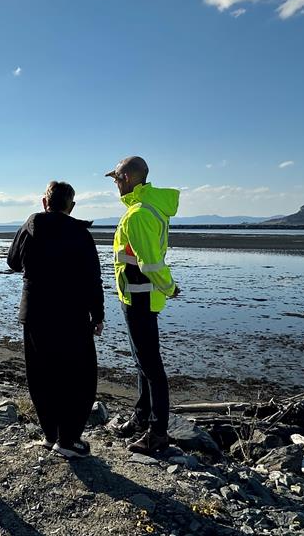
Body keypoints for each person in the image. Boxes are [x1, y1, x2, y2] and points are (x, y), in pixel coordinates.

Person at [7, 181, 104, 458]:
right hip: (71, 315)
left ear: (44, 202)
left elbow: (12, 261)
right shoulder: (81, 234)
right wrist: (98, 314)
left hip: (35, 312)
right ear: (70, 206)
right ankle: (69, 439)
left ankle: (51, 435)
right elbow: (92, 279)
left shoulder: (30, 226)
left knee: (41, 375)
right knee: (79, 377)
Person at [106, 156, 180, 455]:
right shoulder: (147, 208)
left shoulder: (138, 214)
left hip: (141, 296)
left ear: (127, 178)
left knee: (151, 365)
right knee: (142, 362)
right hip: (138, 295)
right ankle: (140, 418)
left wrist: (170, 287)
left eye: (117, 179)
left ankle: (158, 433)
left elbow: (150, 262)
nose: (115, 184)